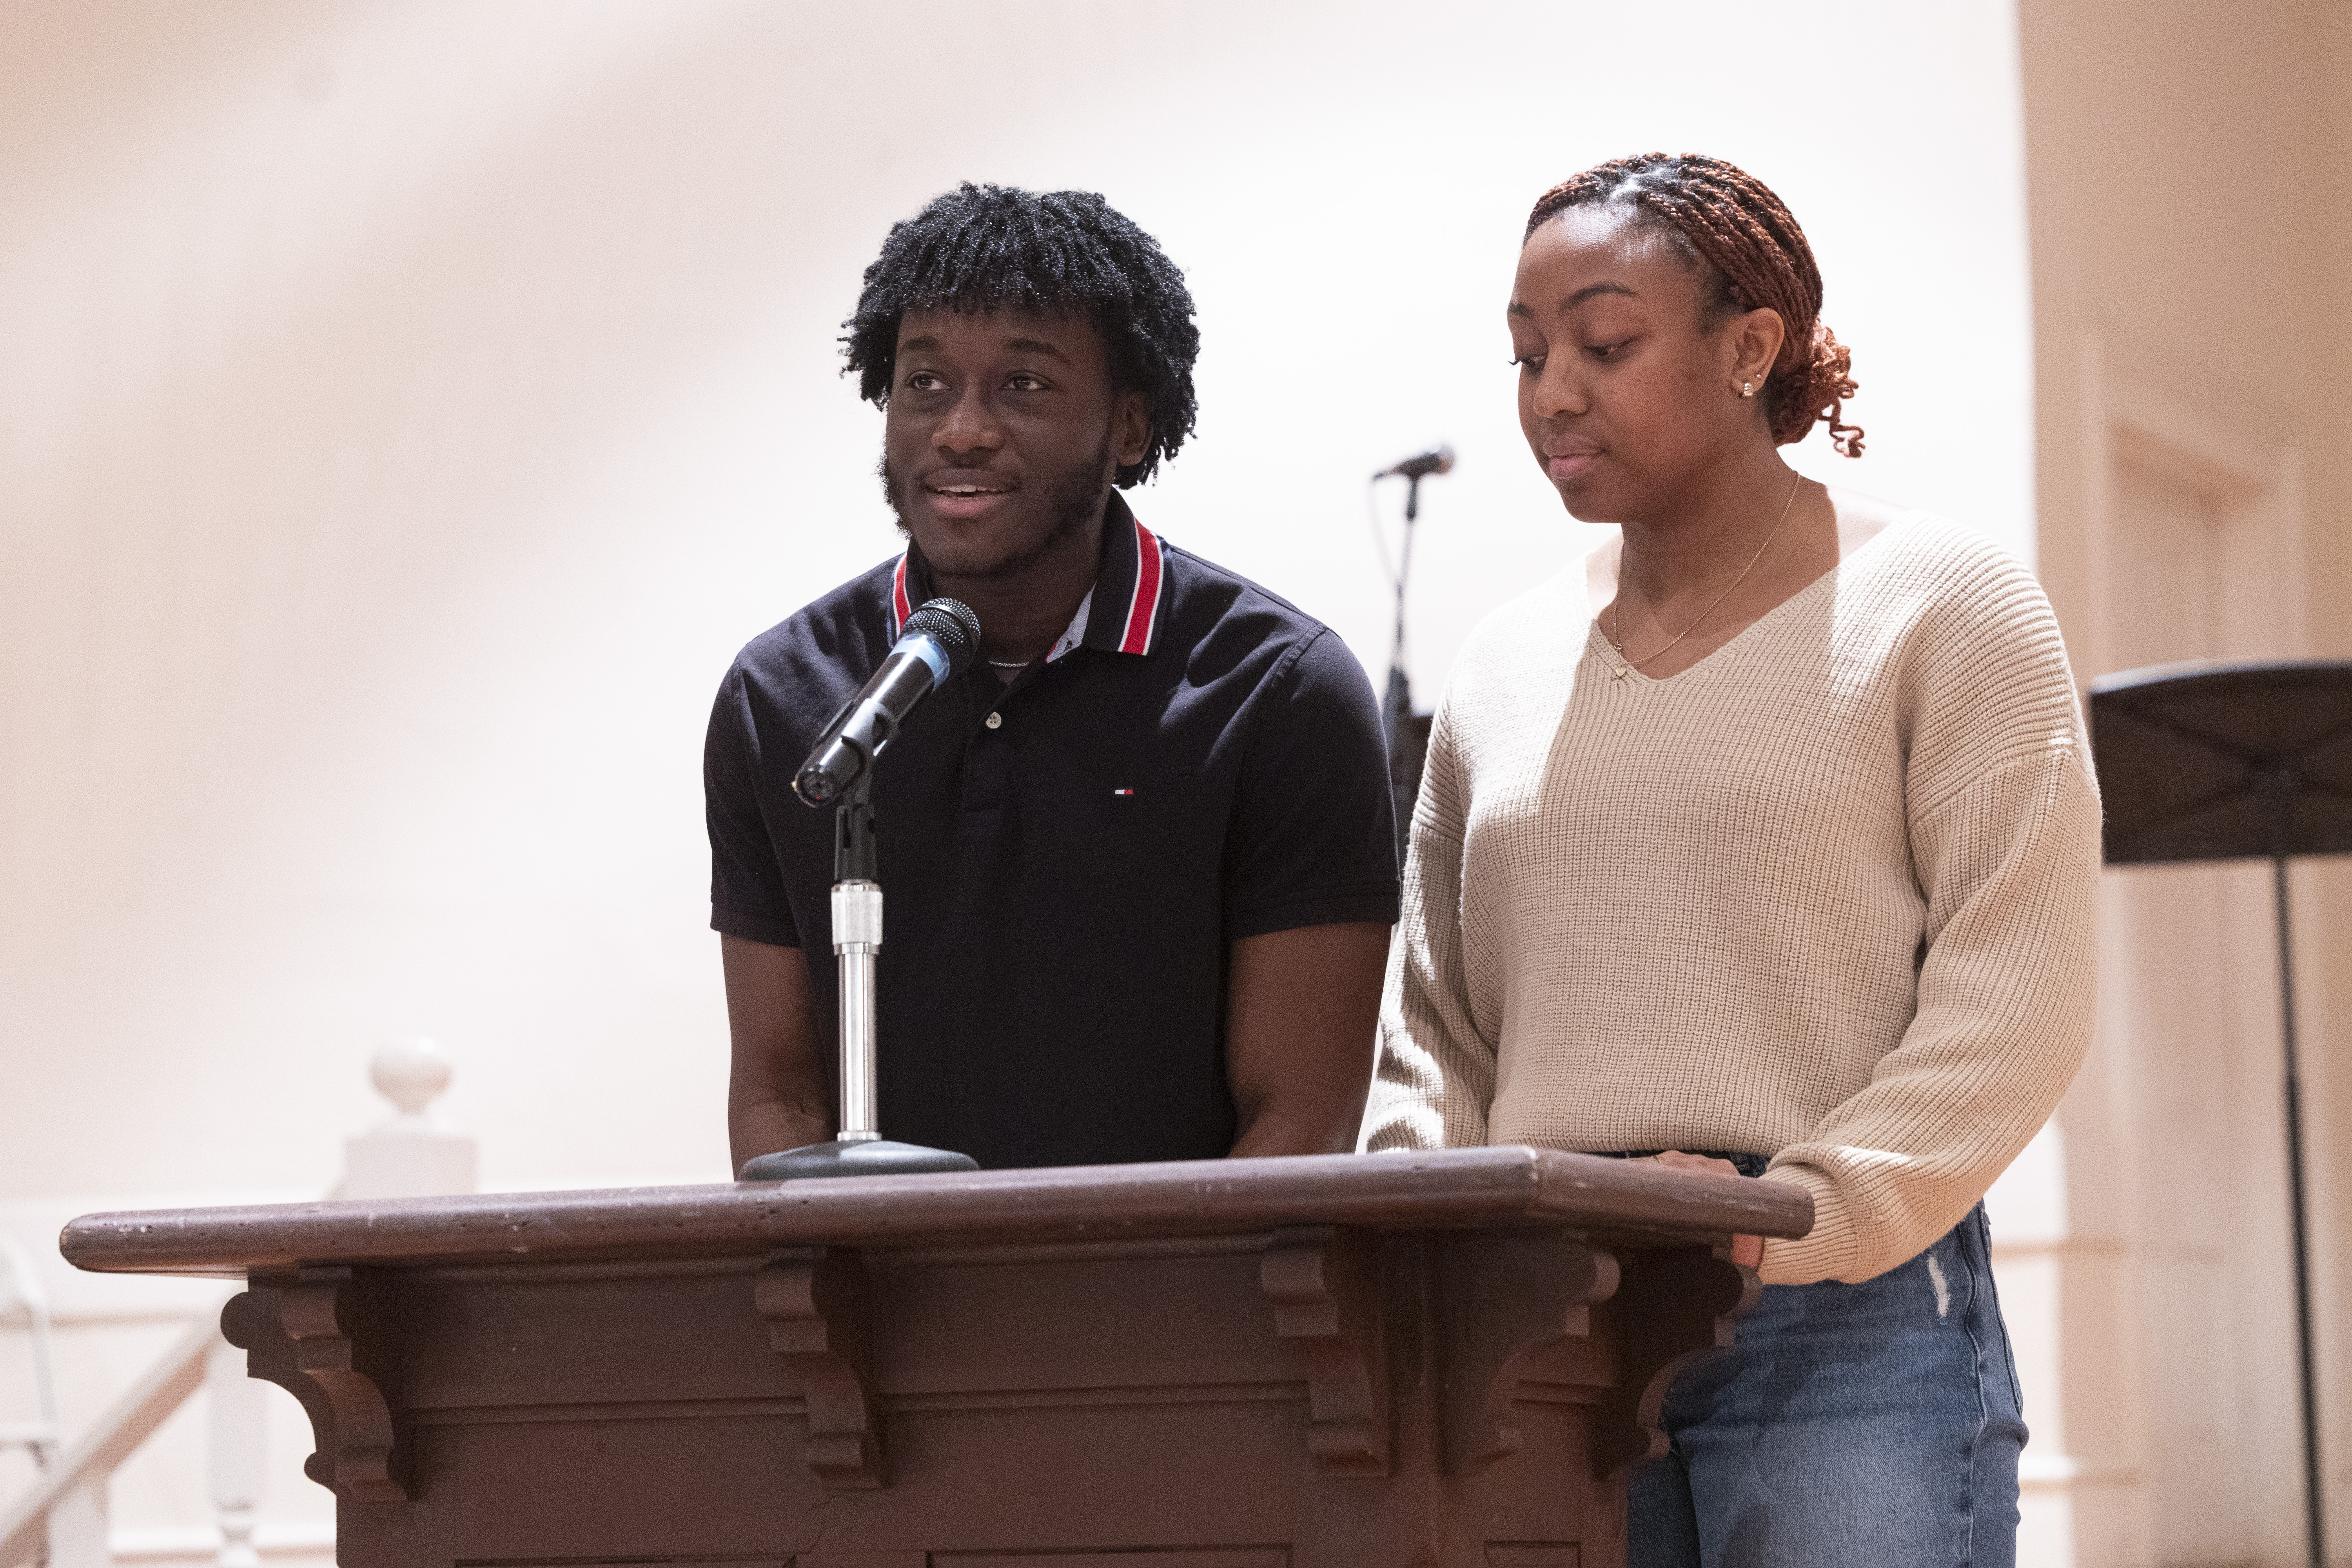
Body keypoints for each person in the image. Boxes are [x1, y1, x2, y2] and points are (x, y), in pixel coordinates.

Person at [1365, 153, 2100, 1567]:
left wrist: (1803, 1215)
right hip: (1546, 1324)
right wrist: (1435, 1237)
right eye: (1527, 354)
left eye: (1605, 341)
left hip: (1849, 1318)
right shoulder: (1502, 664)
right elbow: (1434, 1021)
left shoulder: (1945, 607)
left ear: (1748, 346)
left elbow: (2020, 990)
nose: (1552, 393)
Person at [710, 183, 1397, 1177]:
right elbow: (779, 1090)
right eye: (926, 383)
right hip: (882, 1319)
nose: (963, 430)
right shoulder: (787, 695)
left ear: (1127, 425)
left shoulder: (1276, 692)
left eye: (1024, 386)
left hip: (1175, 1312)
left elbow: (1300, 1118)